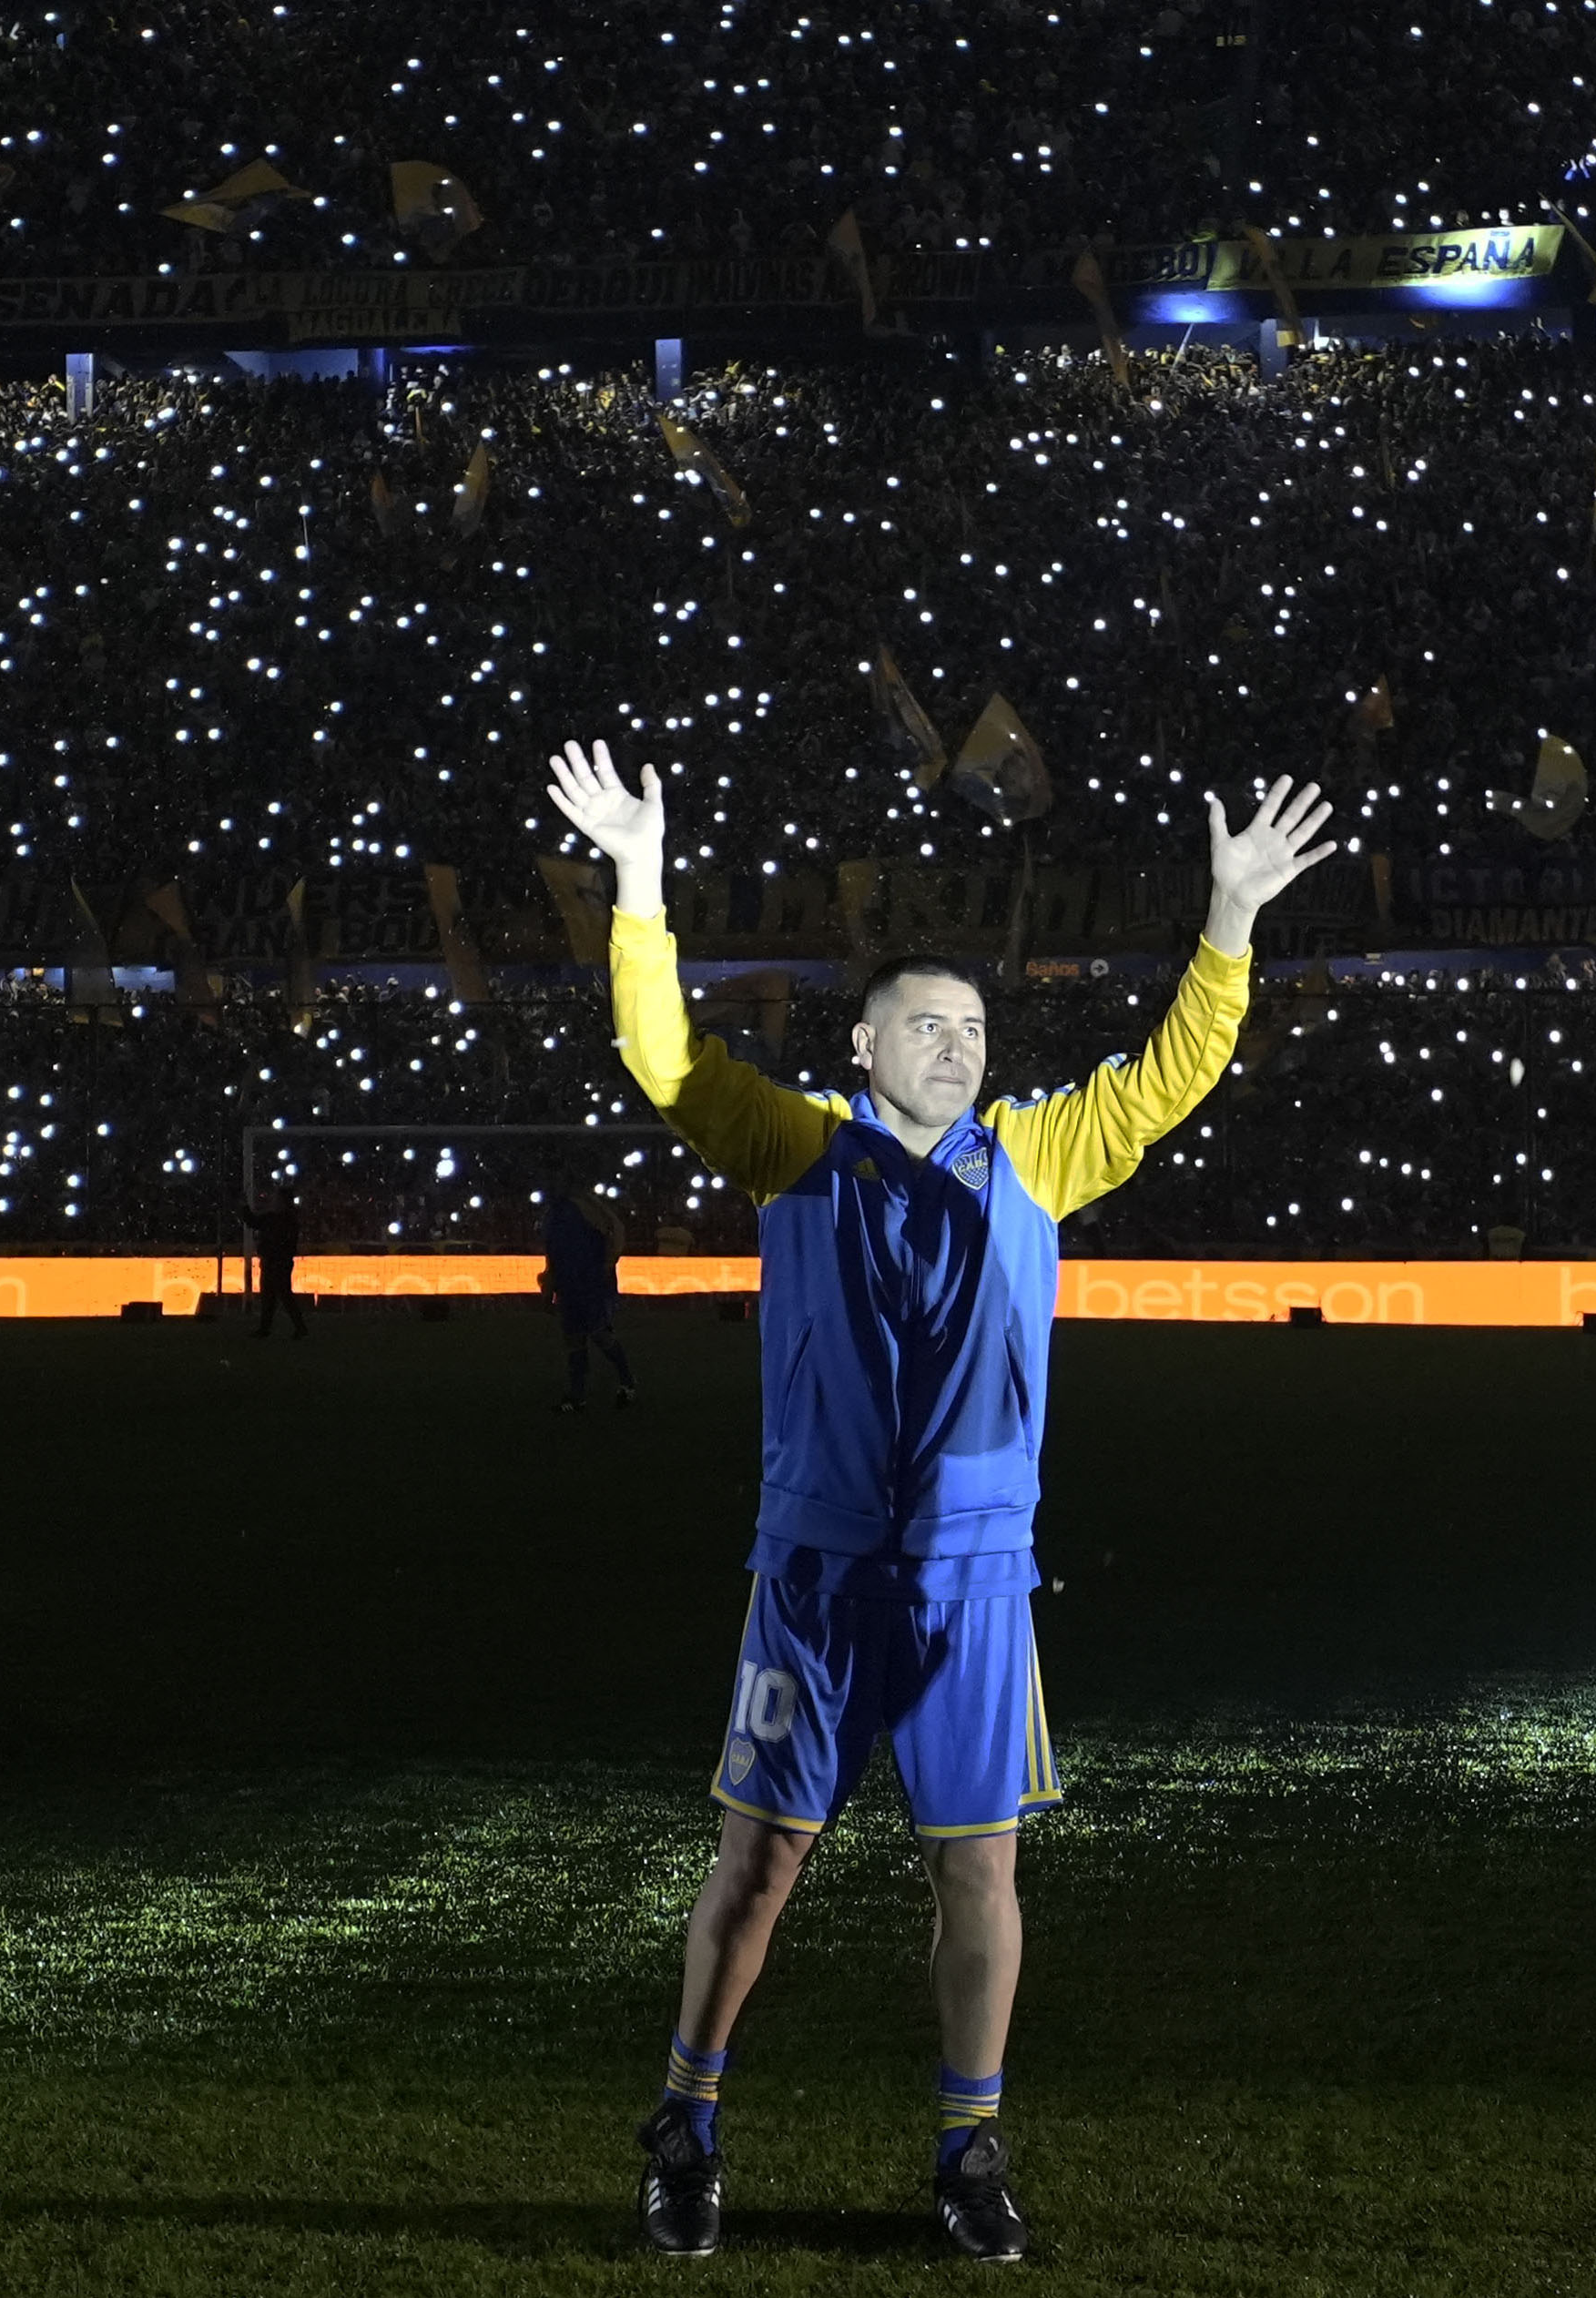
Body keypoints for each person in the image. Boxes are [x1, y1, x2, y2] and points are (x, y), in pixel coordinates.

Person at [545, 735, 1335, 2262]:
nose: (955, 1042)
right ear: (861, 1047)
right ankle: (686, 2119)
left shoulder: (1036, 1156)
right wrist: (638, 881)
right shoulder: (797, 1150)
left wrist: (1227, 918)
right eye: (923, 1022)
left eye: (971, 1024)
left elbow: (1166, 1077)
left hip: (977, 1585)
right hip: (816, 1578)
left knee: (982, 1865)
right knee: (759, 1861)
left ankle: (970, 2142)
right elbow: (668, 1060)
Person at [541, 1175, 637, 1411]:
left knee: (599, 1334)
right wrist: (549, 1287)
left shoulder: (588, 1207)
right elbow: (552, 1254)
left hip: (590, 1282)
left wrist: (607, 1264)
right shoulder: (553, 1215)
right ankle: (577, 1396)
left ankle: (627, 1382)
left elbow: (616, 1231)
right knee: (574, 1340)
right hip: (568, 1284)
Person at [239, 1185, 308, 1338]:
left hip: (278, 1261)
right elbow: (253, 1221)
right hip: (275, 1261)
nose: (273, 1201)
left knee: (280, 1295)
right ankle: (269, 1328)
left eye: (277, 1199)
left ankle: (294, 1328)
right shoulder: (281, 1219)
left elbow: (254, 1222)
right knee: (273, 1296)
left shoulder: (283, 1220)